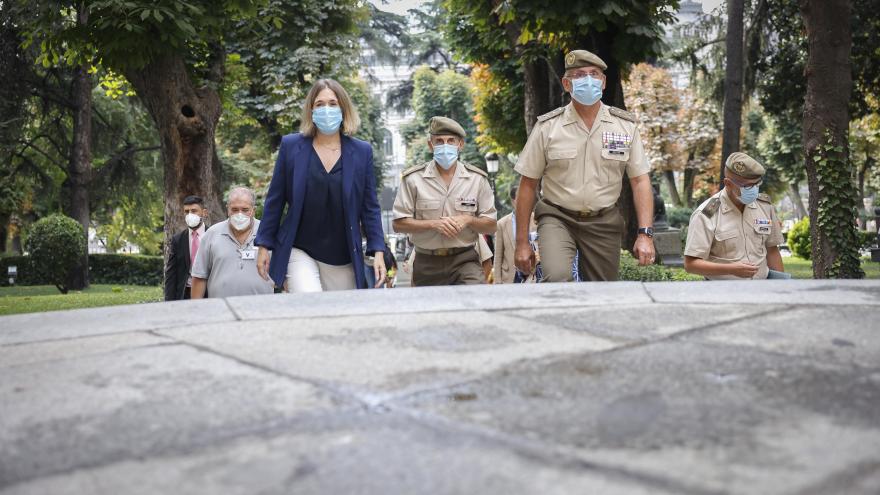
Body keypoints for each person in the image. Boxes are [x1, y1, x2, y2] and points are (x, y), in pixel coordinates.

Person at [513, 49, 656, 282]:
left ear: (603, 82)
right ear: (567, 84)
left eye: (594, 74)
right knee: (557, 277)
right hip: (557, 216)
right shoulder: (548, 127)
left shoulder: (624, 127)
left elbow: (640, 181)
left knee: (602, 293)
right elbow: (527, 184)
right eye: (579, 75)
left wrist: (645, 234)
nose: (588, 80)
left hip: (603, 220)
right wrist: (521, 243)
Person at [255, 79, 386, 292]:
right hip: (300, 250)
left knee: (337, 318)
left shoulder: (362, 152)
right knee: (310, 304)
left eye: (333, 104)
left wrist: (378, 250)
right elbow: (275, 200)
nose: (327, 109)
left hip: (343, 256)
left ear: (343, 108)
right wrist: (263, 245)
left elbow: (369, 207)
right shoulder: (291, 146)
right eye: (320, 104)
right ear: (311, 109)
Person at [392, 116, 497, 286]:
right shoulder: (413, 179)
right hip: (426, 261)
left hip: (465, 259)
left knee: (477, 304)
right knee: (430, 312)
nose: (445, 146)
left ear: (460, 145)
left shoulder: (477, 179)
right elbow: (398, 224)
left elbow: (491, 225)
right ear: (430, 145)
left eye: (451, 141)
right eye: (439, 141)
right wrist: (434, 224)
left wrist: (468, 219)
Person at [683, 152, 787, 279]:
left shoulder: (765, 207)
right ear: (728, 183)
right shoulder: (706, 214)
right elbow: (691, 264)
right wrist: (731, 269)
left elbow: (772, 251)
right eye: (747, 186)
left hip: (762, 290)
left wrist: (781, 285)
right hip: (724, 293)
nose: (753, 189)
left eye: (756, 184)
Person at [191, 187, 274, 298]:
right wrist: (196, 309)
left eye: (245, 210)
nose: (240, 214)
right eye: (234, 209)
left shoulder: (267, 233)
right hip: (220, 309)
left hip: (261, 309)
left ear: (253, 210)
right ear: (228, 209)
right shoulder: (212, 234)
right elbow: (199, 277)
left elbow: (285, 273)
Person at [164, 195, 208, 300]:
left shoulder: (213, 235)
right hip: (185, 293)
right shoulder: (178, 239)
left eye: (194, 211)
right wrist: (169, 301)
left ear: (204, 213)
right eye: (186, 211)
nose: (190, 215)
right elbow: (171, 273)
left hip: (208, 292)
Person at [493, 185, 538, 284]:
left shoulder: (536, 220)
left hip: (532, 276)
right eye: (520, 197)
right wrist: (497, 281)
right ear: (513, 200)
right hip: (509, 278)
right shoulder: (501, 224)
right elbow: (498, 256)